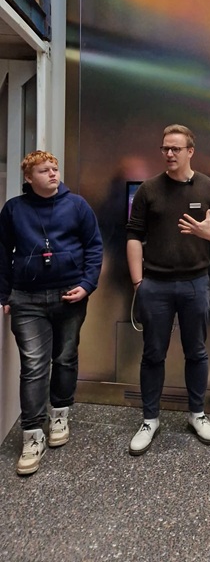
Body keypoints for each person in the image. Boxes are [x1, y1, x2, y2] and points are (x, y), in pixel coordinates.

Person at [126, 124, 210, 455]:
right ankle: (150, 419)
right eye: (165, 148)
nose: (169, 154)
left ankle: (197, 414)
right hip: (154, 284)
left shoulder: (209, 187)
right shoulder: (148, 189)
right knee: (153, 353)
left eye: (175, 148)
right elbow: (133, 235)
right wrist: (138, 282)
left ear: (190, 151)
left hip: (195, 283)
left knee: (196, 351)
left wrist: (206, 233)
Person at [0, 151, 103, 476]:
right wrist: (4, 293)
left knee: (66, 357)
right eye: (44, 170)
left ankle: (60, 413)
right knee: (33, 365)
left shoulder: (77, 206)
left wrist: (87, 284)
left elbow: (94, 246)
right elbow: (2, 251)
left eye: (55, 168)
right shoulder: (14, 209)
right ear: (29, 177)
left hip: (70, 295)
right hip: (26, 298)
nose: (53, 174)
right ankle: (32, 434)